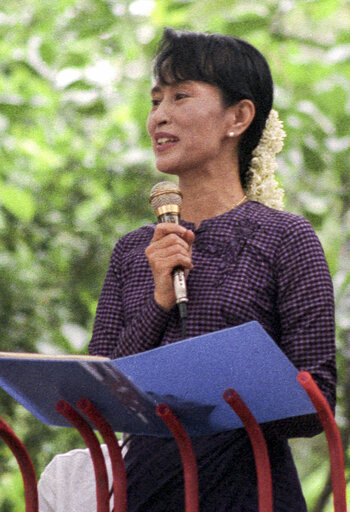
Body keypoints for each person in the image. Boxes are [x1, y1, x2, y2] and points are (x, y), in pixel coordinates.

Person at [88, 28, 336, 511]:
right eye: (156, 100)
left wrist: (221, 387)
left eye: (181, 96)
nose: (159, 115)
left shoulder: (285, 238)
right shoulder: (134, 251)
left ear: (239, 117)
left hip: (252, 493)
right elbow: (99, 399)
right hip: (144, 493)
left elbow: (315, 402)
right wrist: (159, 302)